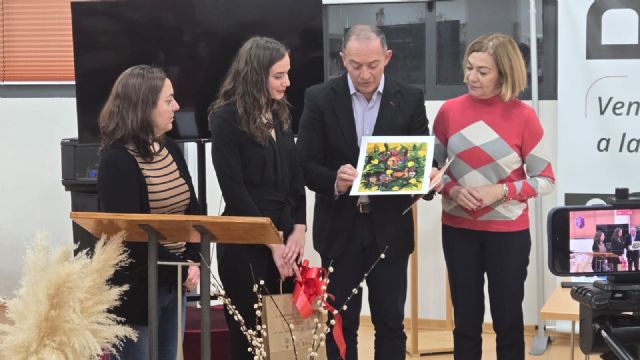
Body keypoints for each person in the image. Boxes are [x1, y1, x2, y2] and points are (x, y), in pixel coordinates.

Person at [297, 24, 434, 360]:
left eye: (373, 65)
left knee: (390, 323)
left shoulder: (410, 98)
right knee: (340, 324)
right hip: (339, 230)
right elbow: (305, 164)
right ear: (343, 60)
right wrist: (334, 180)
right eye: (355, 65)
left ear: (387, 58)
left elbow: (421, 158)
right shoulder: (319, 98)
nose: (365, 73)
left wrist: (428, 177)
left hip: (388, 230)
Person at [432, 33, 555, 360]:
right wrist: (452, 189)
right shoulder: (448, 112)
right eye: (469, 68)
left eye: (482, 71)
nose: (471, 77)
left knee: (508, 322)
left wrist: (499, 191)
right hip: (458, 232)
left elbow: (545, 181)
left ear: (505, 73)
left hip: (508, 236)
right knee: (466, 323)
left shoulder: (524, 117)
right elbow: (433, 172)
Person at [208, 36, 306, 360]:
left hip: (285, 238)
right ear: (255, 74)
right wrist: (273, 243)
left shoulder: (280, 113)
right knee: (250, 340)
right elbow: (234, 191)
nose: (287, 83)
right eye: (279, 76)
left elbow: (295, 178)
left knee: (286, 340)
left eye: (287, 74)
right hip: (245, 244)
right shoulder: (224, 118)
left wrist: (299, 229)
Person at [97, 65, 201, 360]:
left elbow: (193, 210)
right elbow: (132, 236)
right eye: (168, 101)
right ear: (144, 107)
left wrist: (193, 260)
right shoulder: (116, 161)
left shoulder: (171, 149)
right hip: (137, 292)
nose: (176, 107)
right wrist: (181, 267)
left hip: (175, 281)